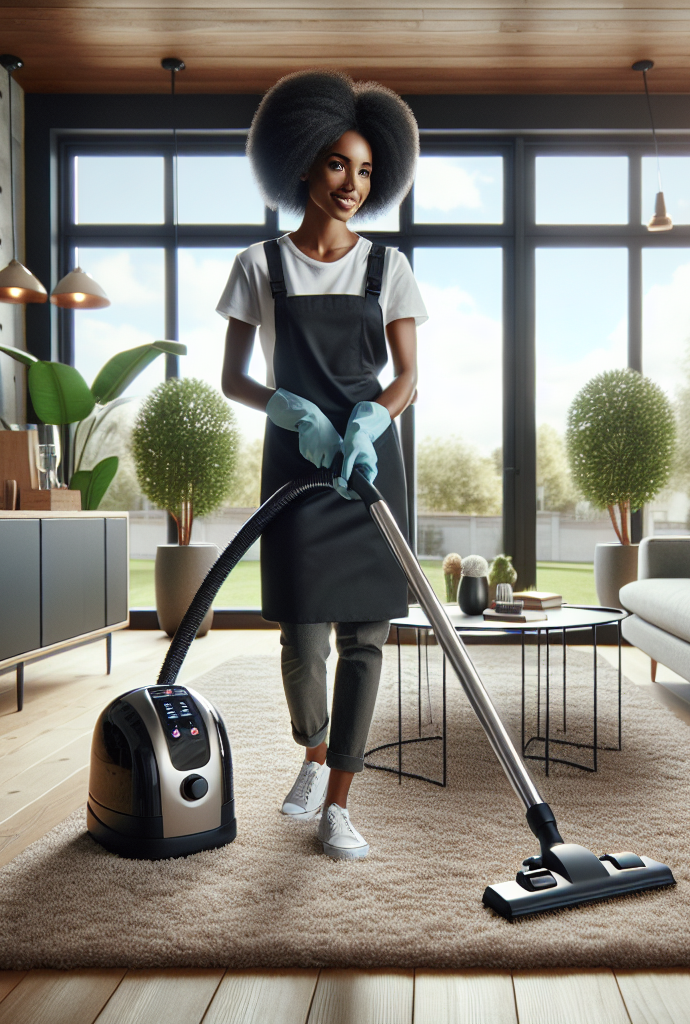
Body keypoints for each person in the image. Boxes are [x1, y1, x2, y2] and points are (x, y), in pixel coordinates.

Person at [217, 69, 426, 860]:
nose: (351, 184)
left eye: (366, 170)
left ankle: (340, 799)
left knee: (364, 642)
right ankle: (312, 752)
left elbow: (407, 377)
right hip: (296, 465)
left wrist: (374, 419)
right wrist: (289, 410)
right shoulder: (260, 265)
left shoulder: (389, 268)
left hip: (369, 468)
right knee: (302, 638)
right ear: (303, 163)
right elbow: (234, 375)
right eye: (338, 164)